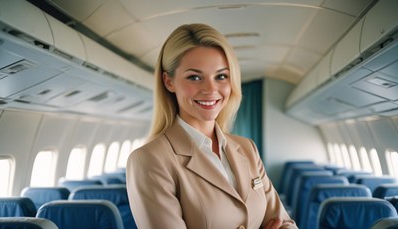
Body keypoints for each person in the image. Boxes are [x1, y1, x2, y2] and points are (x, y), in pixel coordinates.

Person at [126, 23, 297, 229]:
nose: (211, 89)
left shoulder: (246, 148)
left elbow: (284, 223)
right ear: (168, 81)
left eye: (221, 76)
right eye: (195, 77)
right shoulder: (150, 160)